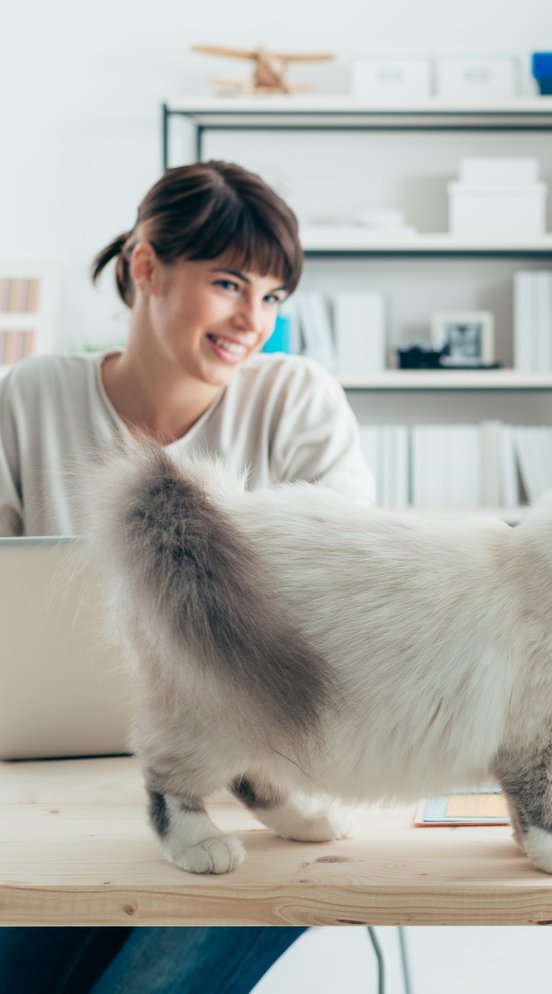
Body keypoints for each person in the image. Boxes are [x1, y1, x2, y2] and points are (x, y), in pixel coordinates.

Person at [0, 161, 373, 992]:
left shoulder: (297, 403)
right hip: (52, 795)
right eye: (231, 284)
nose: (255, 321)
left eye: (273, 297)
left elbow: (348, 608)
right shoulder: (27, 398)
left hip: (258, 783)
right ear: (146, 268)